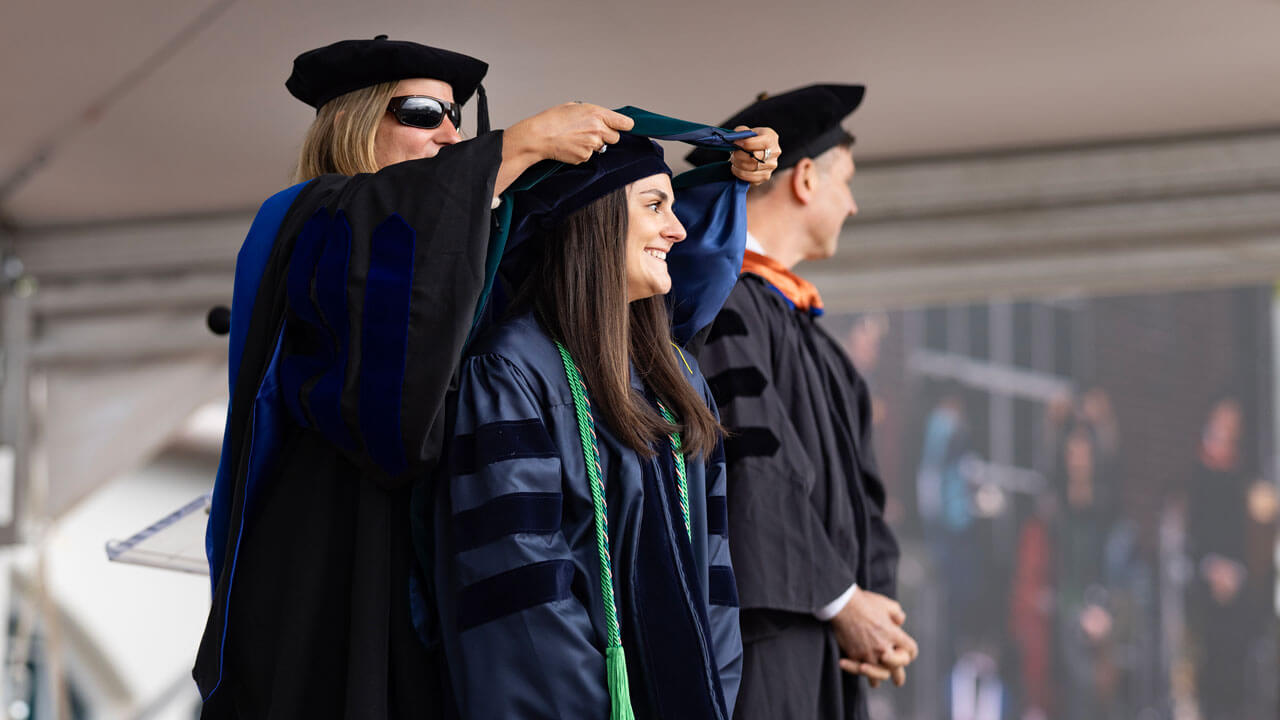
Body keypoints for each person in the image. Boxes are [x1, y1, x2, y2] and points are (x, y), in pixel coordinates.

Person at [194, 35, 775, 718]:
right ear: (351, 121)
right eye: (421, 112)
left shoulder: (464, 250)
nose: (450, 135)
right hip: (331, 556)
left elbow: (604, 267)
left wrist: (718, 181)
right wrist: (516, 148)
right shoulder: (310, 219)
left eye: (457, 118)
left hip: (429, 570)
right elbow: (404, 236)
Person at [425, 124, 776, 719]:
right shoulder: (511, 372)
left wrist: (708, 699)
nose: (679, 228)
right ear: (594, 217)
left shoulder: (678, 380)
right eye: (655, 205)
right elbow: (519, 581)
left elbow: (713, 571)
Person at [687, 84, 917, 720]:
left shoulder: (804, 328)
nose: (853, 203)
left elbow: (862, 493)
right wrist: (846, 604)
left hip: (826, 642)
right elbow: (753, 468)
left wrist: (878, 607)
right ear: (806, 178)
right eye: (846, 180)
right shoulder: (724, 305)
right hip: (770, 642)